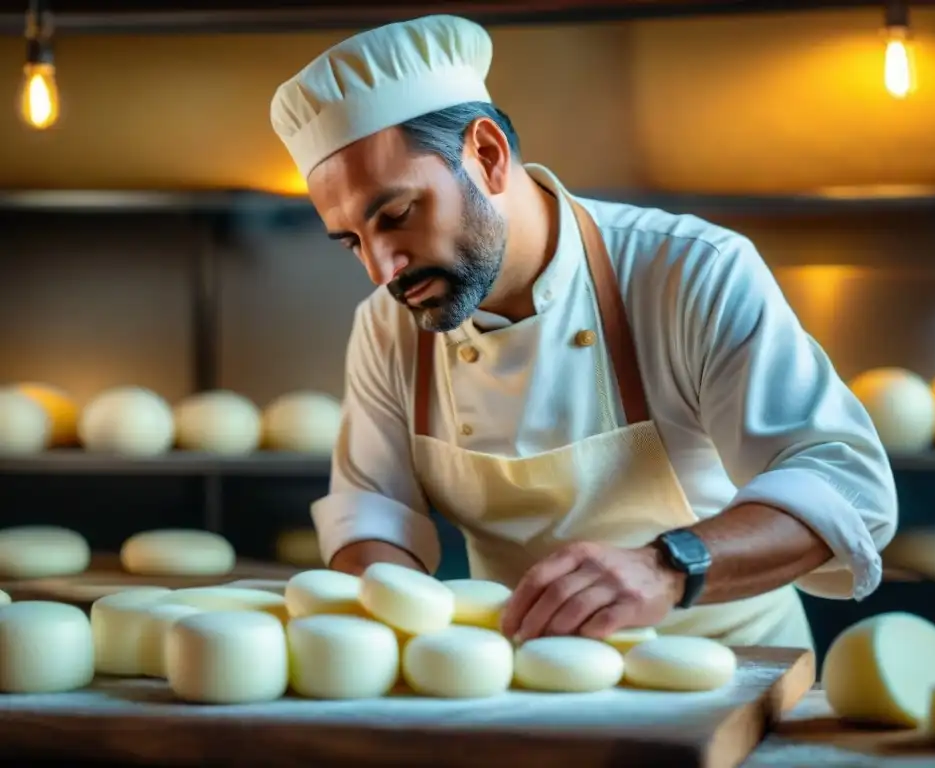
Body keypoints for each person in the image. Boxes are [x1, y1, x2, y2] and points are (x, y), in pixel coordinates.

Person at [269, 14, 897, 649]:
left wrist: (667, 566)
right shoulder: (388, 326)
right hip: (521, 688)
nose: (382, 270)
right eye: (351, 242)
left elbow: (842, 481)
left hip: (728, 668)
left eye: (398, 215)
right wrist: (409, 636)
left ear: (486, 156)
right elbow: (375, 512)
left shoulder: (689, 272)